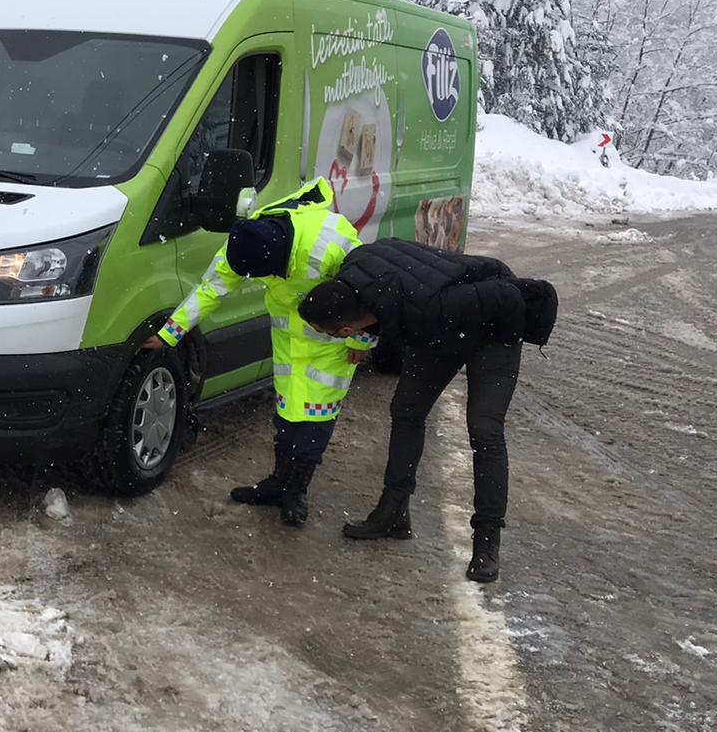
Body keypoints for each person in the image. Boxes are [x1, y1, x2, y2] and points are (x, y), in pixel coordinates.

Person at [297, 238, 556, 583]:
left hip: (494, 328)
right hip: (439, 328)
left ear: (346, 329)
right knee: (406, 410)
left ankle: (487, 540)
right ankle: (393, 512)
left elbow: (509, 296)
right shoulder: (358, 269)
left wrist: (535, 309)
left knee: (484, 429)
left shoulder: (426, 307)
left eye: (331, 335)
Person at [141, 179, 376, 526]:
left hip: (331, 346)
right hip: (287, 343)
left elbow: (370, 292)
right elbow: (210, 290)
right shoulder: (247, 240)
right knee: (287, 416)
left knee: (314, 421)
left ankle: (296, 491)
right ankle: (278, 483)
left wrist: (361, 341)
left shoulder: (330, 243)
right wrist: (168, 335)